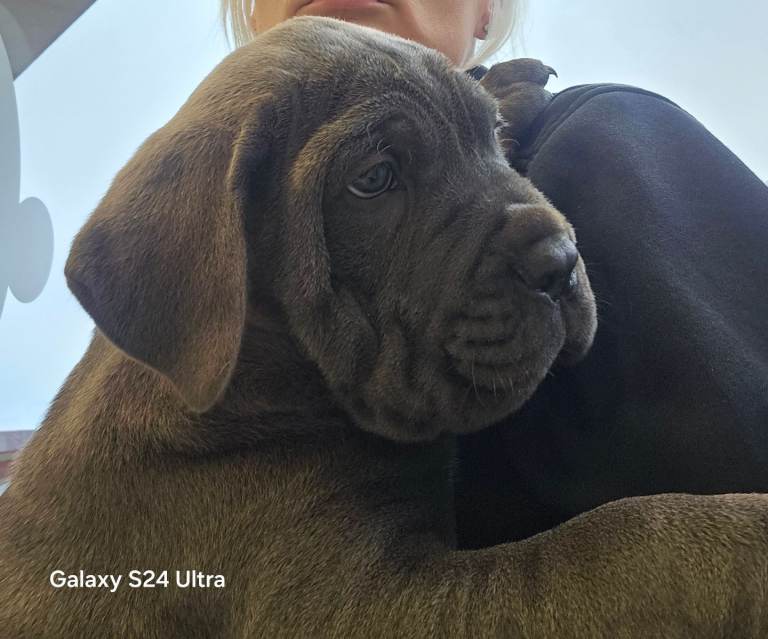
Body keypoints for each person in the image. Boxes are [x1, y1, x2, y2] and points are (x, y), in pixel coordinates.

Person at [220, 0, 768, 548]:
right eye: (373, 176)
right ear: (252, 18)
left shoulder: (595, 142)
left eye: (494, 138)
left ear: (484, 14)